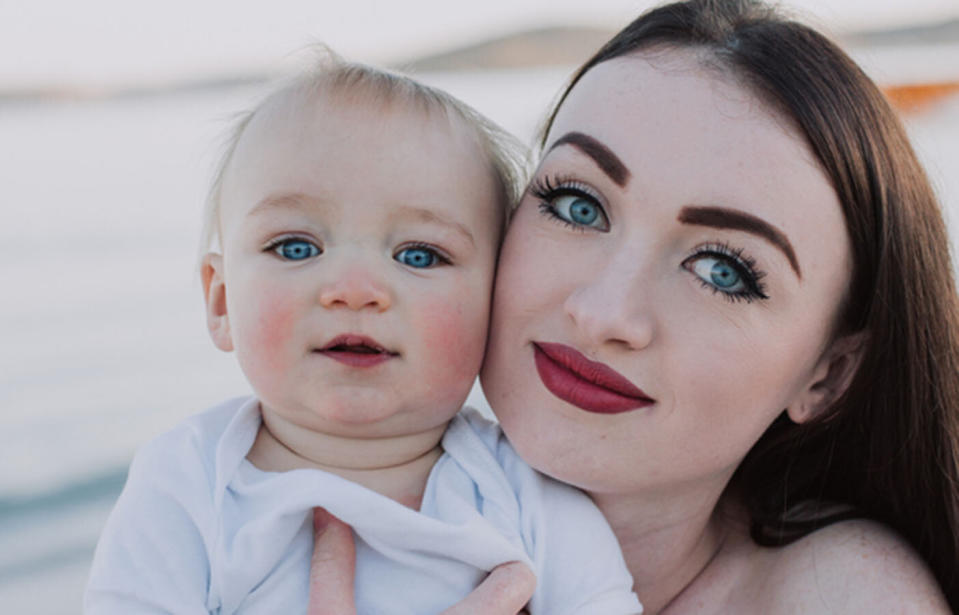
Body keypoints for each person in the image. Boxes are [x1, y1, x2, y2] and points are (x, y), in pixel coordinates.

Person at [308, 0, 959, 612]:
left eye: (721, 270)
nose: (602, 313)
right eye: (577, 205)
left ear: (829, 375)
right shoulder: (262, 498)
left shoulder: (844, 595)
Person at [84, 53, 643, 614]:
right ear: (222, 299)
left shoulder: (528, 495)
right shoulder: (185, 483)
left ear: (493, 305)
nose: (355, 289)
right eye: (296, 247)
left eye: (420, 255)